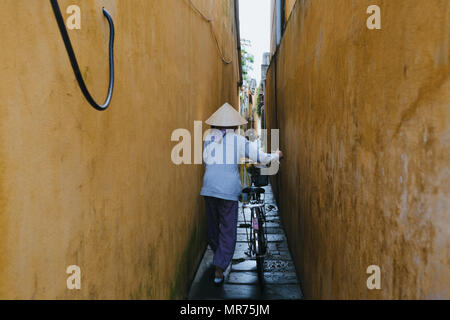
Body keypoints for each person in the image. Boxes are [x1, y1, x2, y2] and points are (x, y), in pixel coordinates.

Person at [200, 102, 283, 286]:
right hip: (228, 191)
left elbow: (207, 162)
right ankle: (220, 269)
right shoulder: (239, 140)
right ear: (234, 125)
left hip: (209, 188)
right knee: (228, 230)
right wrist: (276, 155)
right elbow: (260, 158)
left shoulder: (208, 138)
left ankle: (218, 256)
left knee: (214, 228)